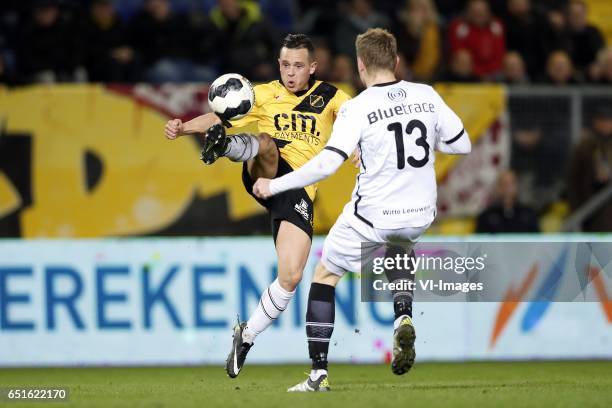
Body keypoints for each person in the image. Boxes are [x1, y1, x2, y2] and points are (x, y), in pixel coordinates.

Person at [253, 28, 471, 391]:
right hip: (421, 211)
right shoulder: (427, 95)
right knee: (400, 244)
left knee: (325, 274)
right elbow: (461, 144)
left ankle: (318, 373)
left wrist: (274, 185)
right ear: (396, 61)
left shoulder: (358, 107)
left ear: (360, 66)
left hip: (373, 215)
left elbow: (326, 165)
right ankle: (403, 317)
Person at [164, 33, 351, 378]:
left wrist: (361, 147)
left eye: (298, 66)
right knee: (266, 143)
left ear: (312, 67)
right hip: (264, 170)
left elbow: (357, 120)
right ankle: (225, 148)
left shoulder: (331, 96)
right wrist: (185, 127)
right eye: (284, 64)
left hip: (297, 191)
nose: (290, 72)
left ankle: (246, 336)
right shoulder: (262, 94)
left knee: (291, 277)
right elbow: (218, 115)